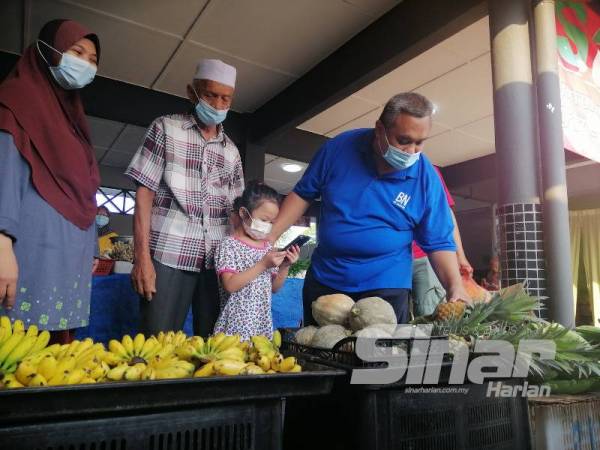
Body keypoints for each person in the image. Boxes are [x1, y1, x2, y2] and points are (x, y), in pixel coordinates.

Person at [269, 92, 471, 325]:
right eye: (403, 140)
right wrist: (270, 237)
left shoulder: (426, 176)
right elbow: (303, 193)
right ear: (379, 129)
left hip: (387, 283)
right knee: (320, 350)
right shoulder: (338, 149)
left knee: (380, 357)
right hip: (328, 277)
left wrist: (455, 286)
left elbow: (438, 241)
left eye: (420, 142)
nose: (412, 151)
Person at [126, 59, 244, 336]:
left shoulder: (232, 152)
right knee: (157, 343)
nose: (217, 105)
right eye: (210, 95)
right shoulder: (165, 128)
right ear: (193, 93)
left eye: (225, 98)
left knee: (214, 348)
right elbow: (143, 194)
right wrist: (141, 259)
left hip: (217, 262)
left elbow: (238, 215)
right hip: (168, 254)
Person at [0, 20, 101, 343]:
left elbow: (85, 192)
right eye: (77, 51)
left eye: (92, 59)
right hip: (31, 251)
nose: (85, 63)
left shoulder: (73, 121)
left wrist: (93, 243)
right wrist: (2, 246)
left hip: (70, 256)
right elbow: (6, 174)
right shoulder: (17, 100)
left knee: (54, 359)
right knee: (16, 347)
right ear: (49, 50)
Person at [214, 182, 300, 340]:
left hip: (261, 325)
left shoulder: (267, 248)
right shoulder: (229, 245)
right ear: (244, 213)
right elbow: (230, 285)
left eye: (271, 223)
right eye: (264, 220)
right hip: (235, 327)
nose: (267, 226)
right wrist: (263, 264)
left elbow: (274, 288)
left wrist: (285, 266)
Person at [411, 167, 473, 317]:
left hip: (425, 257)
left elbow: (446, 216)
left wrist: (460, 257)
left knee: (429, 313)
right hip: (391, 260)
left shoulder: (427, 169)